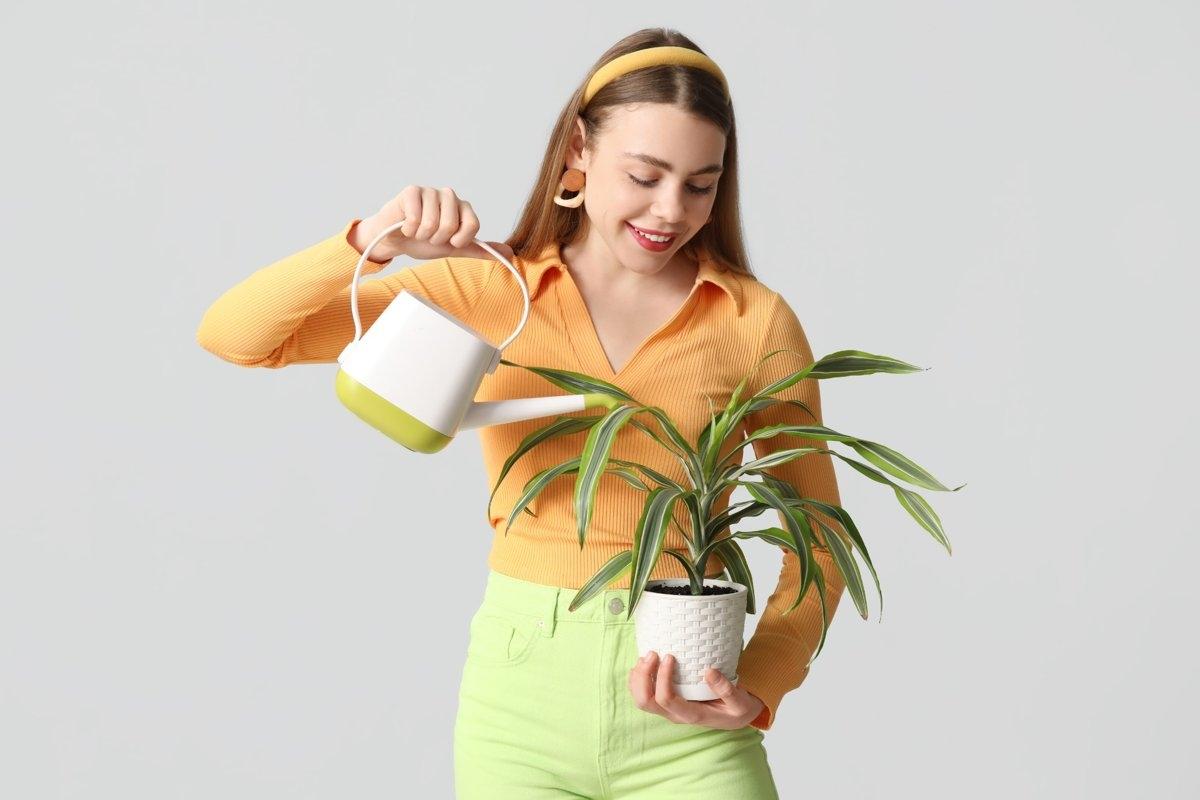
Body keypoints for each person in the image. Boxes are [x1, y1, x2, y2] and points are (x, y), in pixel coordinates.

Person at [197, 27, 846, 800]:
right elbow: (239, 337)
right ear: (578, 150)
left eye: (700, 185)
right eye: (644, 175)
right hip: (520, 711)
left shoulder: (751, 321)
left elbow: (822, 539)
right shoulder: (493, 293)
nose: (670, 210)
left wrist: (763, 684)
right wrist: (371, 242)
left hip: (690, 714)